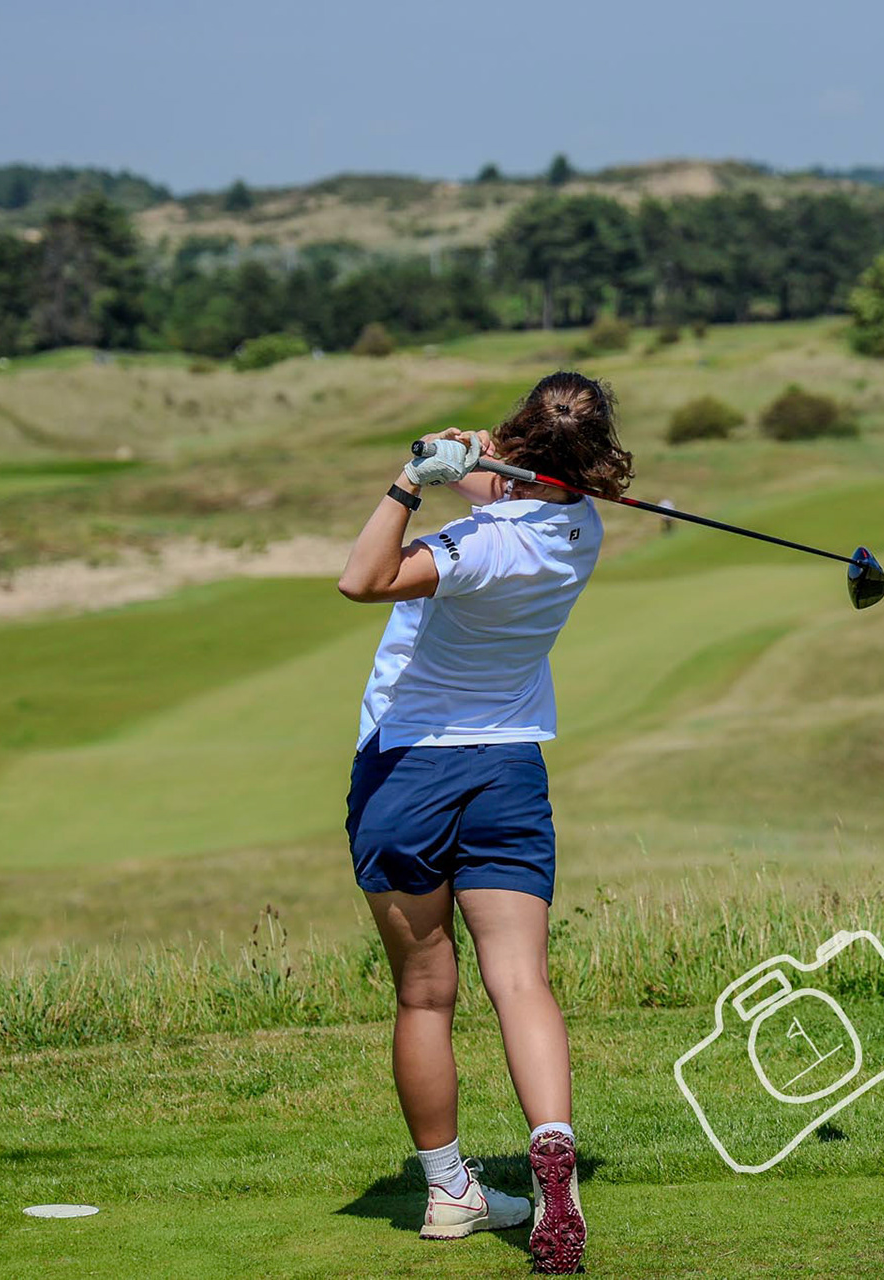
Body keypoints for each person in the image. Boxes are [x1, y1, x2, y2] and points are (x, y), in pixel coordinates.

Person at [336, 370, 632, 1275]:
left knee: (427, 994)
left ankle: (449, 1193)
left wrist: (406, 481)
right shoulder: (581, 524)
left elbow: (363, 579)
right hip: (507, 771)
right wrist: (472, 459)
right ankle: (551, 1148)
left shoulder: (469, 548)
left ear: (521, 438)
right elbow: (513, 489)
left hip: (408, 775)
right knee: (522, 981)